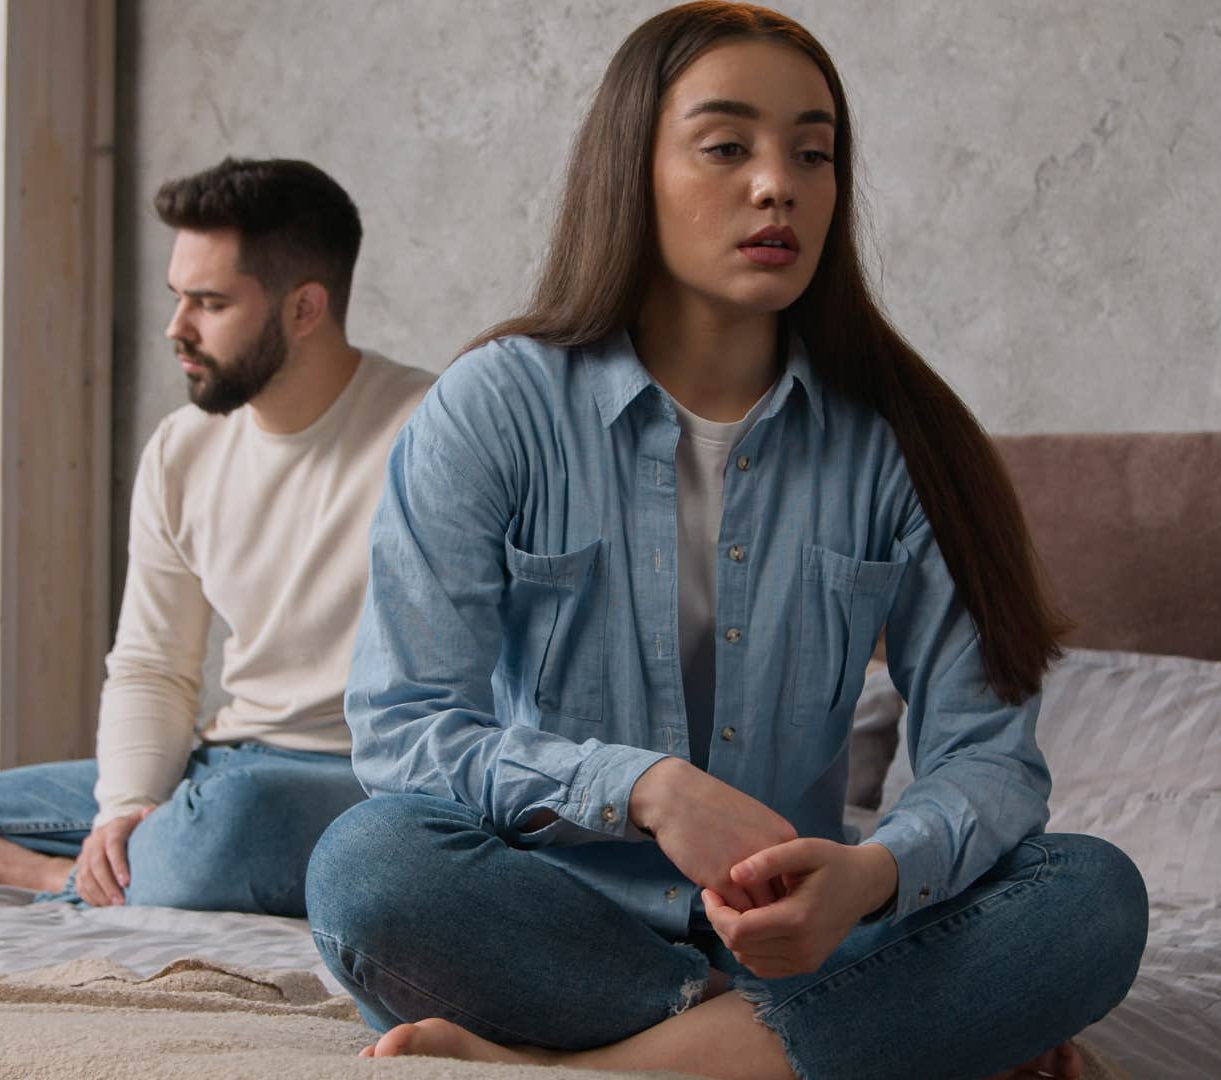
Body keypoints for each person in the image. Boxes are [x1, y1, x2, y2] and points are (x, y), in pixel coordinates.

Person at [304, 4, 1148, 1078]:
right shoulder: (496, 406)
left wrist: (870, 877)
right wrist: (646, 787)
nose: (777, 185)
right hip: (561, 919)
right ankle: (814, 1040)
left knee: (1091, 897)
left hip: (811, 932)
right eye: (727, 146)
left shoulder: (901, 436)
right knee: (367, 870)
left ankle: (594, 1072)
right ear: (633, 170)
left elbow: (987, 756)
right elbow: (408, 727)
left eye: (813, 153)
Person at [0, 157, 434, 916]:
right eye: (177, 298)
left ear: (304, 309)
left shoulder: (430, 431)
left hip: (356, 775)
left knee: (231, 827)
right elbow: (152, 666)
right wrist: (124, 810)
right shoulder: (182, 447)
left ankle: (53, 881)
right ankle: (122, 868)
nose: (177, 328)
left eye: (209, 303)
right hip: (222, 762)